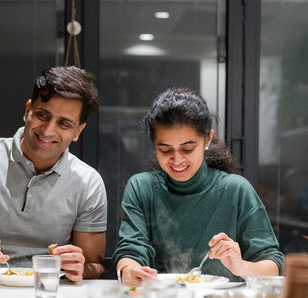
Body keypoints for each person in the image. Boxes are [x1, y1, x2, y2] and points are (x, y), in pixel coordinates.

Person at [0, 66, 107, 282]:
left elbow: (95, 266)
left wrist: (80, 268)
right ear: (28, 111)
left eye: (63, 123)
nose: (48, 130)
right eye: (43, 115)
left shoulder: (88, 182)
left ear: (78, 131)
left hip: (49, 293)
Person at [113, 87, 284, 286]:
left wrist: (241, 267)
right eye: (165, 149)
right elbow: (130, 250)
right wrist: (129, 270)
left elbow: (273, 264)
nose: (177, 160)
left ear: (208, 139)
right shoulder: (142, 188)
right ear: (154, 144)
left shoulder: (236, 190)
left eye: (187, 149)